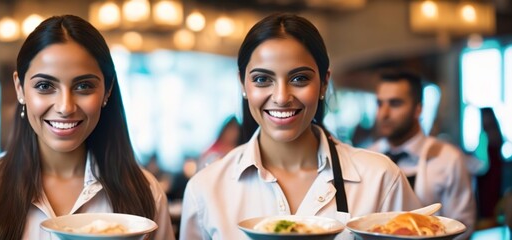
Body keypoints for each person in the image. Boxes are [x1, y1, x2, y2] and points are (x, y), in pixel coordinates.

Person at [179, 13, 421, 240]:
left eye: (299, 78)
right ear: (243, 83)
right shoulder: (206, 190)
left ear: (324, 83)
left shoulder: (380, 179)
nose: (282, 97)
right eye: (262, 79)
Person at [0, 15, 174, 239]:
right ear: (20, 89)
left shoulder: (145, 192)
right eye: (44, 86)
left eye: (83, 86)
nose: (65, 107)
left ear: (107, 90)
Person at [368, 71, 475, 238]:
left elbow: (462, 225)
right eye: (380, 104)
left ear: (418, 109)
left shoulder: (448, 158)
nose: (384, 113)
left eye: (395, 103)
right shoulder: (369, 156)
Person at [475, 108, 503, 228]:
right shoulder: (497, 134)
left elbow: (482, 165)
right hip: (494, 176)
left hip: (487, 177)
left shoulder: (485, 135)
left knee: (487, 204)